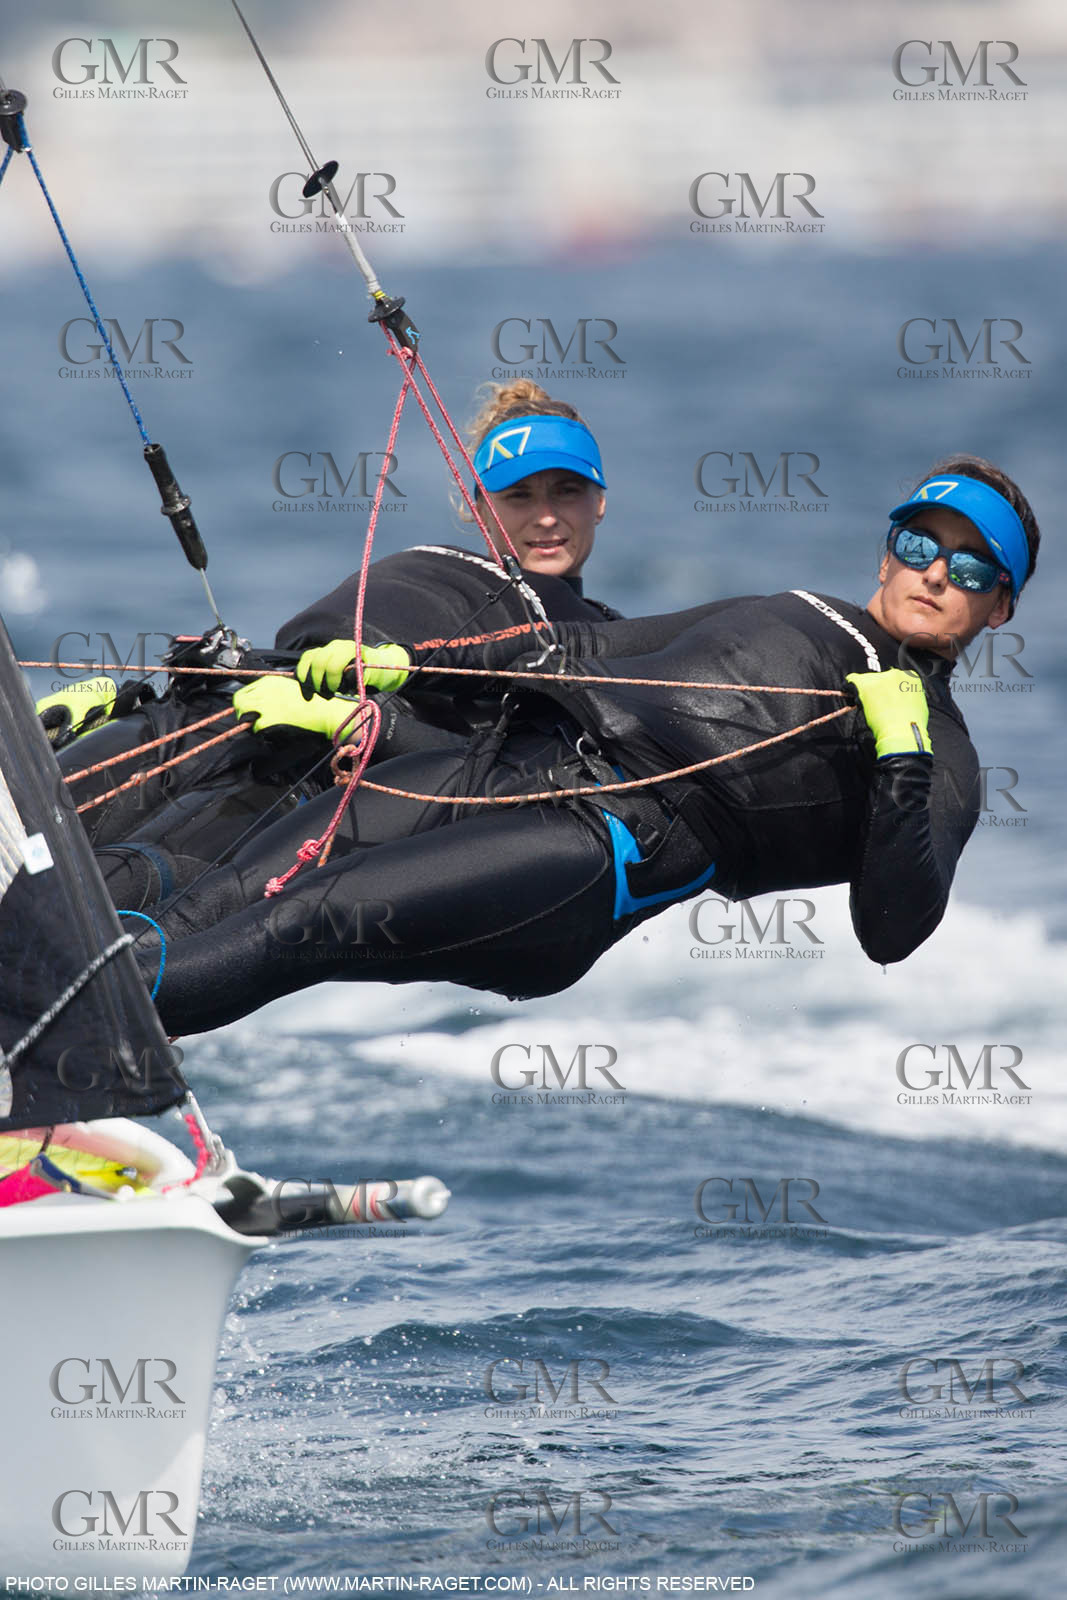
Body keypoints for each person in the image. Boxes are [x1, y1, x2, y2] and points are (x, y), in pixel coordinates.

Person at [133, 455, 1038, 1037]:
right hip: (508, 765)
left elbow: (892, 930)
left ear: (997, 607)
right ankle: (50, 1028)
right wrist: (402, 664)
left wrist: (901, 760)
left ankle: (81, 1036)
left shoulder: (943, 758)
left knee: (311, 917)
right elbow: (580, 649)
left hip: (603, 848)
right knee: (231, 893)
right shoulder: (789, 609)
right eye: (919, 543)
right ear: (885, 553)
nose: (933, 573)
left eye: (968, 568)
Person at [45, 381, 620, 908]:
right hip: (215, 708)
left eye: (567, 491)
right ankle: (93, 718)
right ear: (477, 506)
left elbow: (495, 779)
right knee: (39, 825)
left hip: (308, 776)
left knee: (109, 890)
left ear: (599, 498)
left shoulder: (594, 639)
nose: (546, 517)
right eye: (519, 496)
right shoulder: (431, 564)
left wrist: (354, 724)